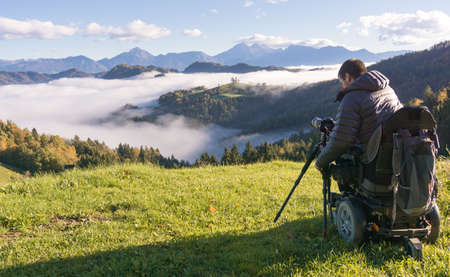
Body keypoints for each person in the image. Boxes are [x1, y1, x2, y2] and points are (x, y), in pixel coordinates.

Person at [315, 59, 403, 173]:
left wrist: (320, 162)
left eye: (342, 82)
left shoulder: (352, 98)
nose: (343, 86)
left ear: (347, 77)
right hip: (396, 157)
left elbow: (341, 141)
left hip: (374, 163)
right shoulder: (388, 89)